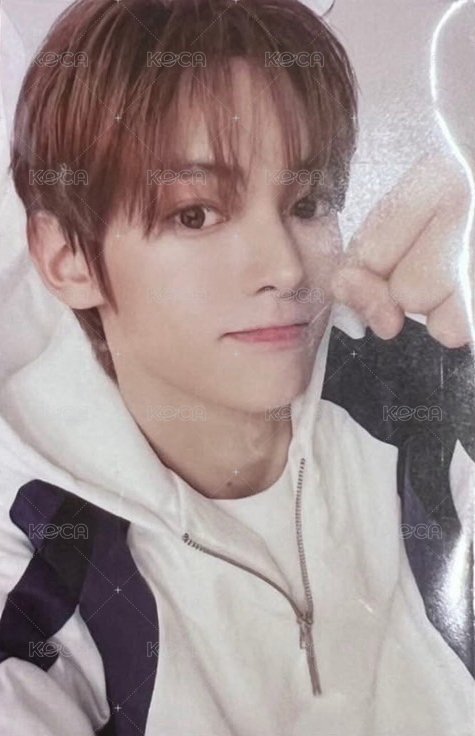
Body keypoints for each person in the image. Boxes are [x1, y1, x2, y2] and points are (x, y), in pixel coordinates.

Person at [0, 0, 473, 734]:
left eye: (308, 202)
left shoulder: (417, 388)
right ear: (66, 258)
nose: (285, 267)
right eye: (195, 214)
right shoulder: (33, 553)